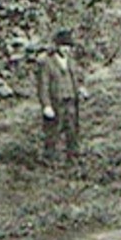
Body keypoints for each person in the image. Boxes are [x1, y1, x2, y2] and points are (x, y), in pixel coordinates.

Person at [35, 28, 84, 165]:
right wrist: (46, 105)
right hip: (57, 101)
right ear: (57, 46)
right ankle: (50, 158)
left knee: (73, 130)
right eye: (63, 46)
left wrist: (79, 89)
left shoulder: (71, 61)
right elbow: (43, 86)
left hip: (71, 100)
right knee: (54, 131)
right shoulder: (47, 63)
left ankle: (73, 157)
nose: (66, 49)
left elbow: (77, 78)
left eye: (69, 46)